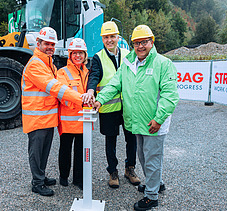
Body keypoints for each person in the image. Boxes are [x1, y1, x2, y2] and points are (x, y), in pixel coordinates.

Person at [93, 25, 179, 210]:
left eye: (144, 42)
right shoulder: (129, 63)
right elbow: (115, 84)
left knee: (152, 158)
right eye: (136, 43)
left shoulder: (163, 64)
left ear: (152, 41)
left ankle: (151, 196)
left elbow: (170, 96)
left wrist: (159, 119)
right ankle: (156, 183)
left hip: (154, 123)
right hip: (137, 122)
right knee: (143, 157)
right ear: (132, 44)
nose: (140, 46)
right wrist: (100, 100)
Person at [21, 27, 84, 197]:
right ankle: (37, 183)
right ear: (39, 43)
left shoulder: (48, 63)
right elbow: (55, 87)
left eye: (52, 44)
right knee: (36, 152)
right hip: (37, 117)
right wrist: (80, 99)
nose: (50, 47)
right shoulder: (36, 64)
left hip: (46, 116)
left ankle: (41, 176)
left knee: (43, 151)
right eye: (46, 43)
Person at [83, 21, 139, 188]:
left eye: (112, 36)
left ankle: (130, 169)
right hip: (108, 107)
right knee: (111, 141)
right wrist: (91, 92)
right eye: (106, 37)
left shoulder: (128, 54)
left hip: (128, 106)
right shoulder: (98, 57)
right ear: (102, 39)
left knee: (132, 139)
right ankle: (112, 171)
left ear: (117, 37)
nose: (110, 40)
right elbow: (94, 76)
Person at [57, 38, 89, 190]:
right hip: (68, 119)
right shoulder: (62, 72)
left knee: (81, 152)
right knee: (65, 150)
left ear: (85, 55)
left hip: (84, 120)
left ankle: (78, 179)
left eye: (80, 53)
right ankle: (63, 176)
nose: (78, 56)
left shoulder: (87, 72)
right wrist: (82, 102)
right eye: (74, 53)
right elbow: (62, 95)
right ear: (70, 54)